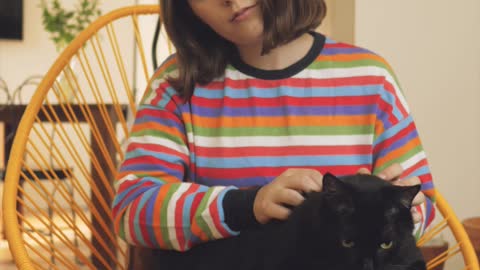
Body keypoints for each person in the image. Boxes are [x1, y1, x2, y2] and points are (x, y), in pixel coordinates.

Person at [112, 0, 435, 253]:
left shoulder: (371, 80)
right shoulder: (177, 86)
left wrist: (399, 212)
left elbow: (426, 207)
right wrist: (247, 206)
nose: (231, 1)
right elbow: (132, 209)